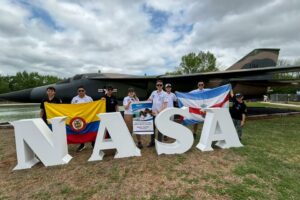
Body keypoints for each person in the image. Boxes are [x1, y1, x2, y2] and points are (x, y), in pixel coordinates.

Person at [71, 86, 93, 152]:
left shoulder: (89, 98)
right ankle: (82, 144)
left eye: (82, 90)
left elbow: (93, 107)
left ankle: (93, 143)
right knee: (80, 131)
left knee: (90, 129)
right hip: (79, 118)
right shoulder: (74, 99)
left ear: (85, 91)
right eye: (79, 91)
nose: (81, 92)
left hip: (88, 117)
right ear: (77, 92)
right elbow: (71, 108)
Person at [147, 80, 168, 147]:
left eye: (160, 85)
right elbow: (149, 100)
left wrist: (159, 112)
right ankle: (152, 142)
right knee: (152, 128)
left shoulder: (165, 94)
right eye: (158, 85)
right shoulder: (154, 92)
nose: (159, 86)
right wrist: (141, 104)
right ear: (156, 86)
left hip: (160, 114)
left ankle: (160, 143)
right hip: (153, 113)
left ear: (162, 86)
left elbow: (165, 105)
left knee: (160, 128)